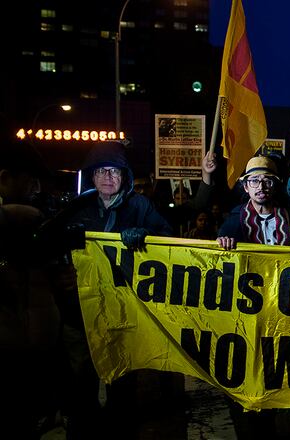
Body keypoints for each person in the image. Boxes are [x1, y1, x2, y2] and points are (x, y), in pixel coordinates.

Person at [60, 140, 174, 439]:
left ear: (125, 175)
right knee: (80, 376)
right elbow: (53, 245)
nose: (108, 177)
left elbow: (168, 239)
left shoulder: (140, 206)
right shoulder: (79, 206)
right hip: (81, 310)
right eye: (101, 171)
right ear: (92, 176)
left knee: (121, 376)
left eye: (114, 171)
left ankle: (119, 428)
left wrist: (145, 235)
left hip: (122, 308)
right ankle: (82, 427)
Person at [215, 155, 290, 439]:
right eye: (254, 180)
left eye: (267, 180)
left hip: (281, 309)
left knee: (273, 372)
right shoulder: (234, 219)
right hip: (248, 309)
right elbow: (217, 250)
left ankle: (266, 418)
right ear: (246, 187)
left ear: (275, 186)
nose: (261, 186)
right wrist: (223, 243)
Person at [0, 140, 62, 438]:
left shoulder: (26, 220)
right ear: (5, 178)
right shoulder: (15, 220)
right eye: (29, 180)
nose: (35, 189)